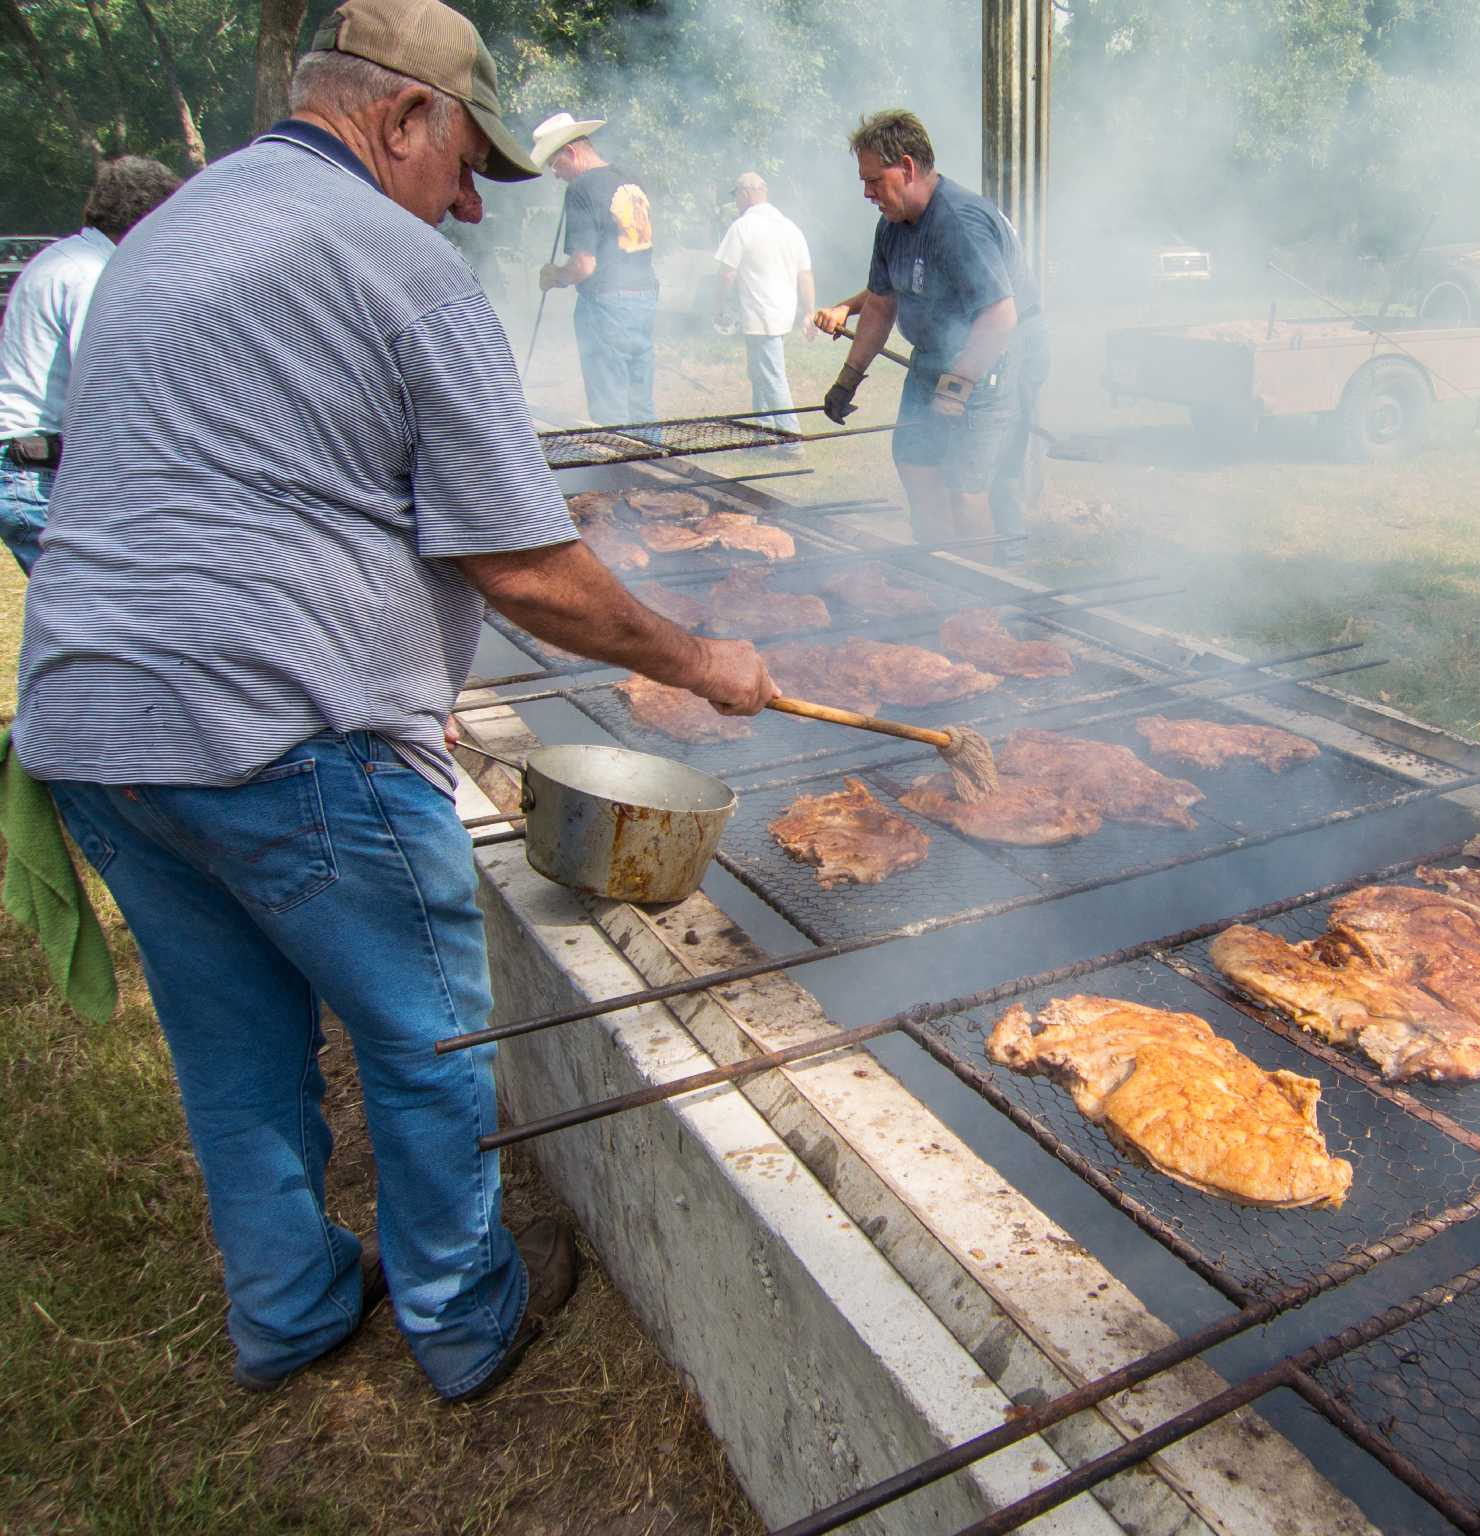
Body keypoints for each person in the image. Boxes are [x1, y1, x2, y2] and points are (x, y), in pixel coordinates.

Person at [11, 0, 776, 1404]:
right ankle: (466, 1321)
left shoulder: (173, 229)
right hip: (285, 729)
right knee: (431, 1039)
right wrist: (699, 660)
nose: (474, 201)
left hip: (89, 723)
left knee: (231, 1042)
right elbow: (527, 568)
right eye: (467, 158)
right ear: (400, 115)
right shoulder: (400, 267)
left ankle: (291, 1311)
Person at [811, 109, 1049, 549]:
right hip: (931, 360)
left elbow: (1000, 317)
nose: (866, 192)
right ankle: (935, 573)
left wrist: (955, 388)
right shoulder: (891, 228)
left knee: (966, 489)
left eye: (873, 180)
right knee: (917, 467)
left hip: (987, 362)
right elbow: (881, 306)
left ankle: (983, 598)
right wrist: (847, 381)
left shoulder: (959, 223)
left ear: (906, 167)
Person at [0, 156, 181, 573]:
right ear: (147, 220)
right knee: (101, 603)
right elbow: (107, 380)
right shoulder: (93, 274)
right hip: (35, 470)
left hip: (28, 465)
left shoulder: (63, 258)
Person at [533, 112, 658, 426]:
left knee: (610, 409)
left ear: (571, 153)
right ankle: (653, 468)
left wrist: (555, 277)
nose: (556, 175)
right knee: (639, 402)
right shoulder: (630, 179)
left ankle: (617, 473)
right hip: (644, 297)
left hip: (606, 306)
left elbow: (584, 265)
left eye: (556, 164)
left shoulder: (581, 189)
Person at [713, 171, 814, 453]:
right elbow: (805, 274)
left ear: (745, 195)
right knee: (759, 375)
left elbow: (726, 273)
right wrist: (808, 311)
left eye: (736, 197)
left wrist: (718, 308)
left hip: (760, 313)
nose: (736, 203)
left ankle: (792, 442)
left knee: (771, 376)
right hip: (781, 313)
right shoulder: (790, 227)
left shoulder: (743, 227)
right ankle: (762, 435)